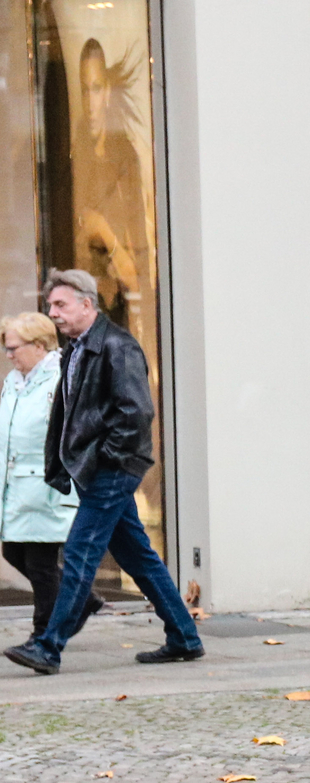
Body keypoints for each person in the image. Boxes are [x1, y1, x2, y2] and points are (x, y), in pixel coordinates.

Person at [2, 268, 200, 675]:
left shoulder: (116, 346)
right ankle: (184, 636)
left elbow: (137, 412)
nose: (53, 312)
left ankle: (48, 646)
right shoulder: (79, 348)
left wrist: (106, 458)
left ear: (87, 304)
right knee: (139, 557)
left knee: (79, 551)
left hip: (114, 467)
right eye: (50, 305)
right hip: (98, 468)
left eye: (61, 304)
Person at [1, 313, 101, 640]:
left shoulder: (60, 380)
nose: (8, 354)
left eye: (14, 347)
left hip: (48, 484)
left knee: (40, 563)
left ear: (40, 345)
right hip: (16, 485)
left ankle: (43, 636)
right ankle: (82, 600)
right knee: (14, 553)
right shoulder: (14, 382)